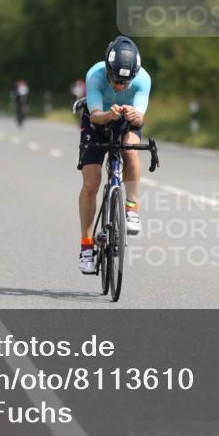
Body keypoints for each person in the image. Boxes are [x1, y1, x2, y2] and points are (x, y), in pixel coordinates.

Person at [77, 36, 151, 274]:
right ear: (107, 71)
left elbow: (141, 118)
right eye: (116, 80)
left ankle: (131, 208)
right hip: (97, 120)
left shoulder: (143, 79)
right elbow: (96, 114)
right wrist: (109, 115)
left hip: (126, 122)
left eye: (125, 82)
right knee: (91, 183)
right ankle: (87, 247)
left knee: (130, 150)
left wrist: (133, 115)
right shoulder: (95, 75)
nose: (120, 86)